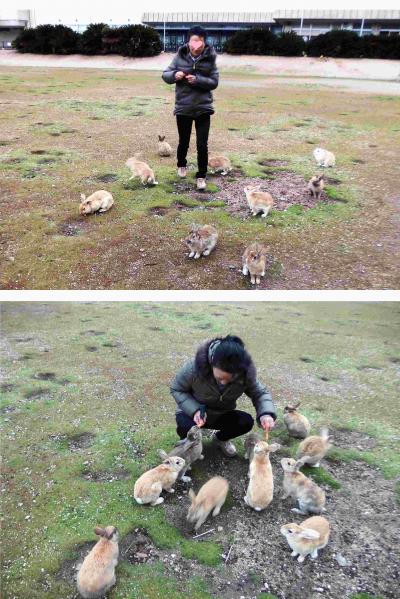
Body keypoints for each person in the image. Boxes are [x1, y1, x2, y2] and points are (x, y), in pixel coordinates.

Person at [170, 336, 276, 457]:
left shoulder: (244, 374)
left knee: (245, 422)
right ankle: (190, 447)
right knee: (185, 427)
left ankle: (220, 439)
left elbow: (260, 393)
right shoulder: (194, 369)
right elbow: (177, 389)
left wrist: (266, 413)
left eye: (230, 379)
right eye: (220, 378)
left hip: (221, 414)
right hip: (194, 414)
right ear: (212, 363)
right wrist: (194, 410)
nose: (223, 383)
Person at [162, 25, 219, 191]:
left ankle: (201, 176)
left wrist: (199, 80)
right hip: (184, 107)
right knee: (183, 141)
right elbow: (165, 74)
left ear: (203, 43)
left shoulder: (210, 58)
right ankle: (181, 165)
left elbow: (214, 82)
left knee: (202, 144)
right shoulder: (179, 56)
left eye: (200, 41)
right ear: (189, 41)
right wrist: (175, 75)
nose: (197, 45)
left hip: (203, 107)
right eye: (194, 40)